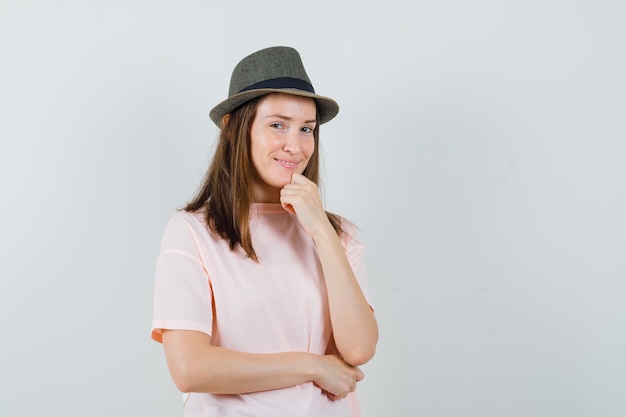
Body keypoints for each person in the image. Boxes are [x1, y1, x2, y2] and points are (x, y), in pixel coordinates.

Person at [151, 46, 378, 417]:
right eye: (278, 124)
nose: (296, 144)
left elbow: (358, 349)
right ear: (233, 129)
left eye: (307, 129)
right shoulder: (191, 233)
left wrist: (321, 228)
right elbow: (190, 368)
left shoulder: (339, 235)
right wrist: (314, 366)